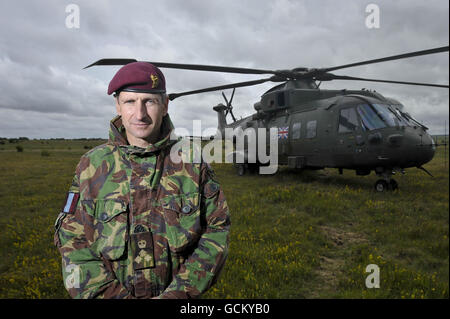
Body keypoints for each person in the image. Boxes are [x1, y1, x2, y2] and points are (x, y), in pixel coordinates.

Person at [54, 62, 230, 299]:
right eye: (130, 102)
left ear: (165, 105)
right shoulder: (91, 166)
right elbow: (72, 240)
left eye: (149, 101)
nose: (140, 114)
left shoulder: (192, 162)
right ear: (117, 105)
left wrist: (178, 295)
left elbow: (217, 229)